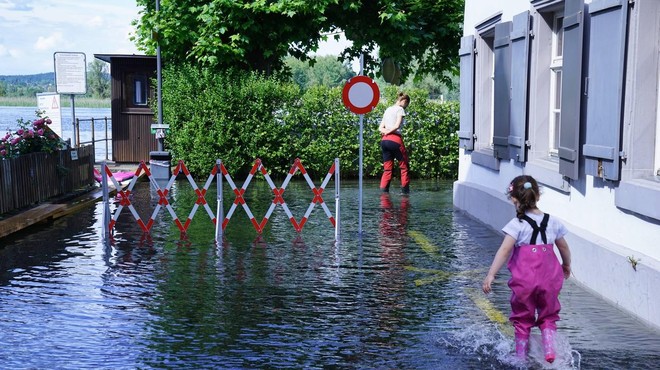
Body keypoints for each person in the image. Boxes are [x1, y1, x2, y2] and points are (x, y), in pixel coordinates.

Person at [482, 175, 572, 363]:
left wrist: (491, 274)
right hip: (550, 279)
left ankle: (520, 356)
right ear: (538, 196)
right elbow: (563, 247)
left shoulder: (517, 225)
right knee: (548, 314)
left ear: (514, 199)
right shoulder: (552, 221)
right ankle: (549, 351)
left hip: (525, 281)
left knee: (523, 317)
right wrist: (566, 265)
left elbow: (505, 250)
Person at [378, 93, 410, 194]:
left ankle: (383, 192)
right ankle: (405, 192)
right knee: (404, 167)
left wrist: (386, 132)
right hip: (395, 140)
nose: (405, 107)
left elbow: (380, 128)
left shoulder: (388, 109)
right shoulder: (400, 109)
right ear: (404, 101)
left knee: (387, 168)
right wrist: (389, 132)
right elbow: (397, 126)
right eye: (406, 105)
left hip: (384, 141)